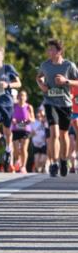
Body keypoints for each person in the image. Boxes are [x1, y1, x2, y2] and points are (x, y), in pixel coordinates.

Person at [36, 38, 78, 177]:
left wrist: (66, 81)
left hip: (65, 104)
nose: (49, 52)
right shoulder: (45, 65)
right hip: (50, 102)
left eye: (52, 50)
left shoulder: (69, 66)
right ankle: (54, 163)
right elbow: (39, 77)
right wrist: (42, 85)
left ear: (59, 51)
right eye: (48, 49)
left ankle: (63, 160)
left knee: (63, 134)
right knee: (53, 133)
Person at [11, 89, 34, 173]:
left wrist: (29, 120)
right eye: (20, 95)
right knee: (16, 148)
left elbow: (33, 119)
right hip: (16, 129)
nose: (21, 97)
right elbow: (11, 116)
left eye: (23, 95)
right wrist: (13, 120)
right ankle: (17, 160)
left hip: (25, 129)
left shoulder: (29, 107)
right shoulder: (14, 106)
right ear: (17, 97)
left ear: (26, 97)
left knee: (24, 149)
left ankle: (23, 166)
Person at [30, 107, 49, 173]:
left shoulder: (46, 122)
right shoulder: (33, 122)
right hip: (36, 143)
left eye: (41, 112)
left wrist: (44, 121)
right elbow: (30, 133)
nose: (39, 114)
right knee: (37, 160)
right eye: (38, 112)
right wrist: (32, 133)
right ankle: (38, 170)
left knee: (42, 160)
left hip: (44, 143)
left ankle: (44, 167)